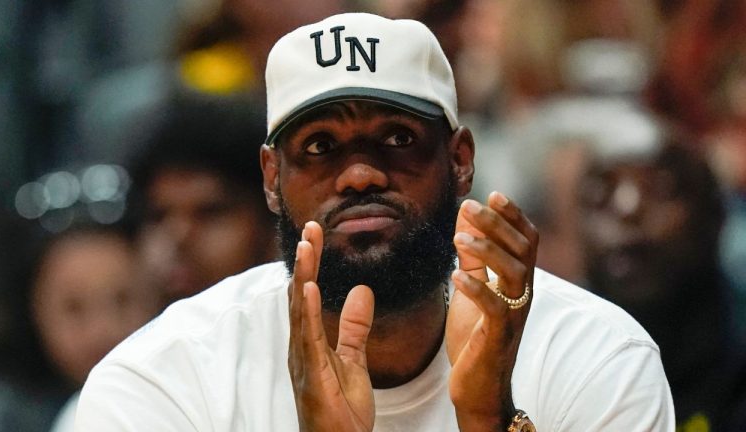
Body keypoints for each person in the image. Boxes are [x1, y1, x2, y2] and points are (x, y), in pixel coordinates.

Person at [76, 13, 674, 431]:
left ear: (460, 160)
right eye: (318, 147)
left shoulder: (595, 356)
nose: (360, 175)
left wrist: (493, 422)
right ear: (270, 178)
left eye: (397, 137)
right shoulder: (165, 382)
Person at [576, 136, 746, 430]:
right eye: (600, 193)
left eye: (661, 189)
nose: (627, 208)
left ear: (715, 218)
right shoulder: (542, 347)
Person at [0, 222, 159, 432]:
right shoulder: (1, 418)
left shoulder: (181, 394)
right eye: (74, 308)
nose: (101, 331)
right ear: (34, 309)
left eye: (123, 300)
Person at [126, 93, 278, 306]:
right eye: (158, 216)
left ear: (271, 222)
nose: (179, 235)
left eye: (210, 213)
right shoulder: (129, 339)